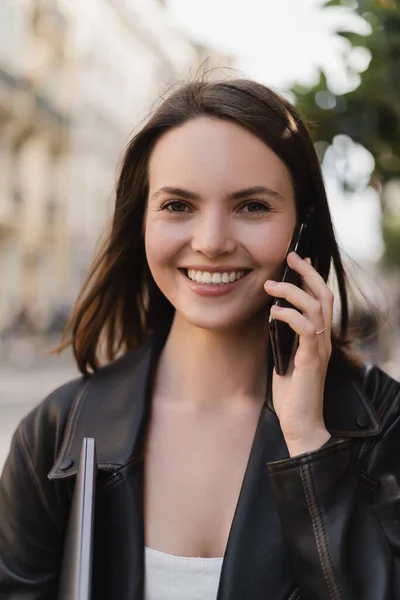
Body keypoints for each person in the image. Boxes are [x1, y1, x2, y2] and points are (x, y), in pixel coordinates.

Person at [0, 77, 399, 600]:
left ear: (302, 229)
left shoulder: (381, 422)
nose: (211, 242)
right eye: (178, 206)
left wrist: (309, 445)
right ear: (140, 220)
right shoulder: (54, 436)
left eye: (252, 206)